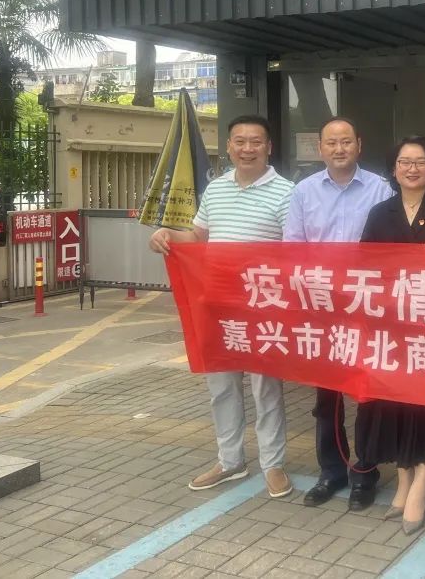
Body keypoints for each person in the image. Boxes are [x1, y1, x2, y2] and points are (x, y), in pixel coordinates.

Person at [148, 115, 294, 500]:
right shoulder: (215, 189)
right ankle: (230, 460)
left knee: (266, 388)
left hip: (262, 307)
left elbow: (295, 250)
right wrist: (167, 234)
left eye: (256, 142)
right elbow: (198, 236)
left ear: (268, 147)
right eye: (239, 141)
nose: (247, 149)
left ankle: (273, 463)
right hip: (219, 305)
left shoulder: (287, 193)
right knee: (222, 387)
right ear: (228, 147)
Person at [355, 136, 425, 535]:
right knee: (395, 405)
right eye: (405, 162)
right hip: (392, 328)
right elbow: (366, 266)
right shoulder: (379, 213)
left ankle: (421, 481)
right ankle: (403, 480)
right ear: (394, 168)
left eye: (420, 162)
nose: (412, 168)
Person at [282, 117, 394, 510]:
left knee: (367, 393)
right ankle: (331, 471)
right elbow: (293, 247)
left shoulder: (381, 188)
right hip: (323, 308)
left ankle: (365, 472)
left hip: (366, 307)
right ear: (320, 148)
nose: (339, 148)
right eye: (331, 142)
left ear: (359, 145)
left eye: (346, 141)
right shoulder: (304, 191)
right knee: (326, 397)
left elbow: (391, 248)